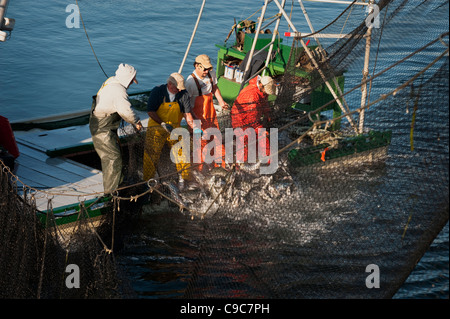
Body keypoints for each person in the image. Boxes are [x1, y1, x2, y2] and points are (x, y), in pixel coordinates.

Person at [89, 63, 143, 194]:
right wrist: (136, 122)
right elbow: (126, 111)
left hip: (105, 125)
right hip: (102, 129)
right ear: (127, 78)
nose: (132, 83)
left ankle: (118, 186)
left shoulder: (112, 81)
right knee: (113, 158)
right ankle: (111, 194)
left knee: (115, 155)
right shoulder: (119, 91)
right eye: (131, 80)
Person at [143, 72, 199, 184]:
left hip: (175, 128)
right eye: (176, 88)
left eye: (180, 88)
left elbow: (187, 114)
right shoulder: (157, 92)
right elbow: (150, 111)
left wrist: (194, 127)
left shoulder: (183, 94)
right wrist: (163, 123)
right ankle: (147, 182)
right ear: (169, 84)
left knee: (183, 153)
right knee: (151, 155)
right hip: (157, 127)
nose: (179, 90)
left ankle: (186, 179)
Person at [185, 54, 228, 169]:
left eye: (209, 68)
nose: (207, 71)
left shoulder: (211, 74)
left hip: (210, 113)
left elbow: (214, 88)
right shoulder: (190, 82)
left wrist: (221, 101)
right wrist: (194, 122)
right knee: (200, 144)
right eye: (204, 69)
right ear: (197, 66)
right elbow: (186, 106)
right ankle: (200, 169)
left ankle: (220, 164)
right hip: (197, 116)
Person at [231, 75, 276, 163]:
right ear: (261, 85)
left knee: (262, 136)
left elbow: (264, 103)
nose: (266, 93)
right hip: (241, 120)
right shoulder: (252, 95)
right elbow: (251, 119)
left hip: (252, 119)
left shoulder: (261, 91)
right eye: (266, 91)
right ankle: (241, 164)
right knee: (245, 141)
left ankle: (267, 160)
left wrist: (267, 114)